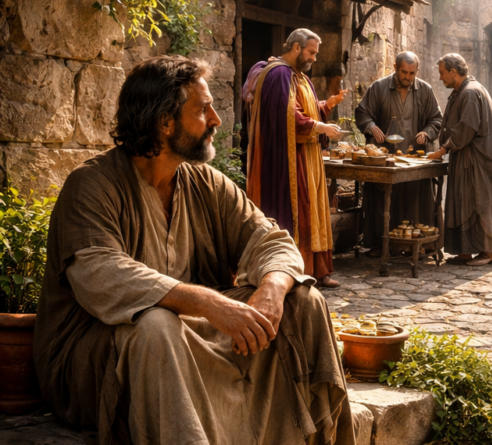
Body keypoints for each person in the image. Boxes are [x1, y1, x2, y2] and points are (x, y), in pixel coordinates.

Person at [32, 55, 356, 445]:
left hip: (194, 338)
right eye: (203, 110)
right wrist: (210, 304)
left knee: (303, 299)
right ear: (164, 122)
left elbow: (270, 239)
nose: (217, 120)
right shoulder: (91, 186)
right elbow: (102, 273)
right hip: (98, 359)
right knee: (156, 326)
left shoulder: (205, 181)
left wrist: (272, 289)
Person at [245, 28, 348, 288]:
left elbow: (306, 109)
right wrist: (322, 128)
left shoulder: (299, 77)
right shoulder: (279, 74)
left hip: (306, 156)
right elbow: (287, 114)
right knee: (298, 210)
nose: (314, 57)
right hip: (287, 160)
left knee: (311, 210)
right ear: (296, 48)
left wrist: (328, 105)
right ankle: (294, 270)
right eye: (311, 52)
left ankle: (317, 269)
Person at [355, 51, 442, 256]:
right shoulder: (379, 88)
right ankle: (380, 243)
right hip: (386, 158)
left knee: (415, 199)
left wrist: (427, 133)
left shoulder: (425, 90)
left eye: (412, 73)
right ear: (395, 68)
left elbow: (436, 119)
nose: (408, 77)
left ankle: (415, 244)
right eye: (404, 72)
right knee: (381, 199)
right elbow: (362, 112)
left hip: (414, 159)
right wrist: (370, 126)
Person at [428, 53, 492, 266]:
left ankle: (488, 251)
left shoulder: (471, 92)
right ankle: (465, 251)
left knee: (477, 203)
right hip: (467, 158)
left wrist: (443, 149)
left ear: (454, 72)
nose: (441, 78)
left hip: (476, 160)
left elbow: (467, 128)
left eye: (443, 73)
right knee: (464, 203)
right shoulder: (462, 91)